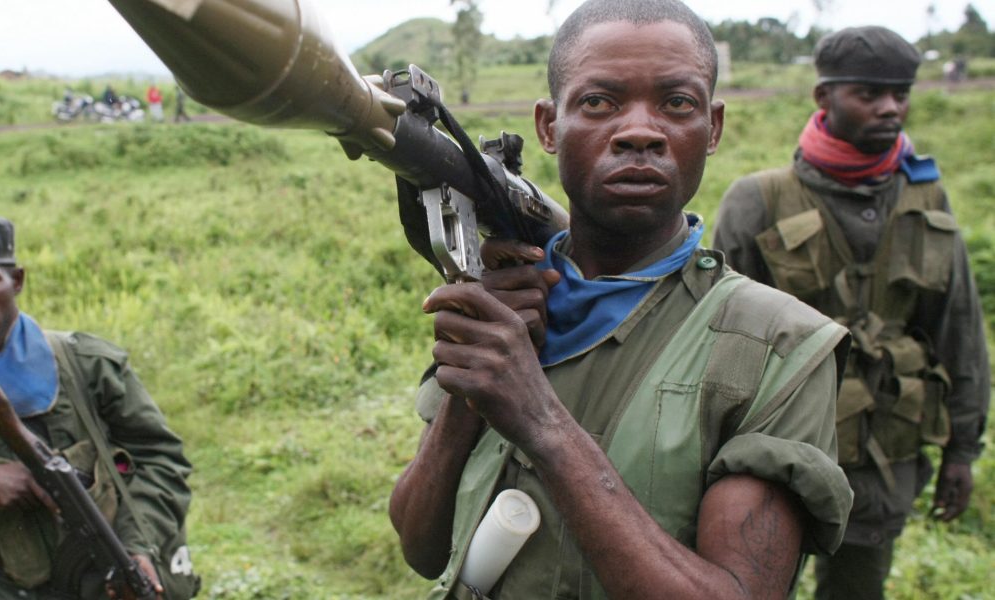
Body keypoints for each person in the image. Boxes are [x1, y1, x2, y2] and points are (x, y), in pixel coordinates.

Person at [388, 1, 855, 598]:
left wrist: (538, 418)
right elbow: (421, 549)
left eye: (677, 103)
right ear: (549, 127)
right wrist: (468, 398)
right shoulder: (507, 299)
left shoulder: (778, 350)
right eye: (598, 102)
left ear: (711, 128)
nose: (639, 130)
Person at [713, 26, 989, 600]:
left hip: (883, 452)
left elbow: (958, 328)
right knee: (753, 584)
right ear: (824, 98)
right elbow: (714, 339)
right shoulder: (756, 200)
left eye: (901, 94)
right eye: (869, 93)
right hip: (774, 453)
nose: (891, 108)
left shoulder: (927, 198)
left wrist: (963, 448)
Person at [0, 215, 200, 600]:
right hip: (4, 588)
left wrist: (137, 547)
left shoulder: (90, 365)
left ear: (17, 280)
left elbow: (161, 461)